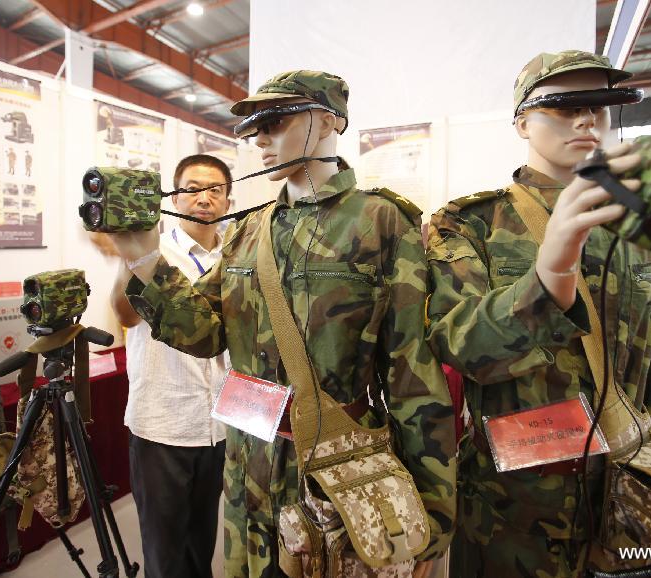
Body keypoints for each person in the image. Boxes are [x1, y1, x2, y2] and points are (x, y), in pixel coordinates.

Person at [109, 70, 455, 578]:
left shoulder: (380, 222)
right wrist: (142, 258)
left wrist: (429, 515)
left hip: (334, 472)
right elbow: (204, 332)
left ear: (331, 120)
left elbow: (411, 375)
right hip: (247, 466)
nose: (261, 138)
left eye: (276, 120)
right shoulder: (250, 231)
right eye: (255, 127)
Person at [425, 50, 651, 576]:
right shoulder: (470, 224)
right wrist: (548, 277)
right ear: (522, 121)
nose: (586, 121)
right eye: (565, 107)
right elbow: (460, 346)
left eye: (599, 108)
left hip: (624, 495)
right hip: (513, 509)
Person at [110, 154, 233, 578]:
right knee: (164, 547)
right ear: (175, 197)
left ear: (228, 200)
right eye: (194, 188)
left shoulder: (237, 256)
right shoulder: (152, 249)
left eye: (215, 189)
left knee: (202, 539)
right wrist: (135, 257)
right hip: (163, 420)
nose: (205, 197)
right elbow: (124, 316)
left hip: (218, 422)